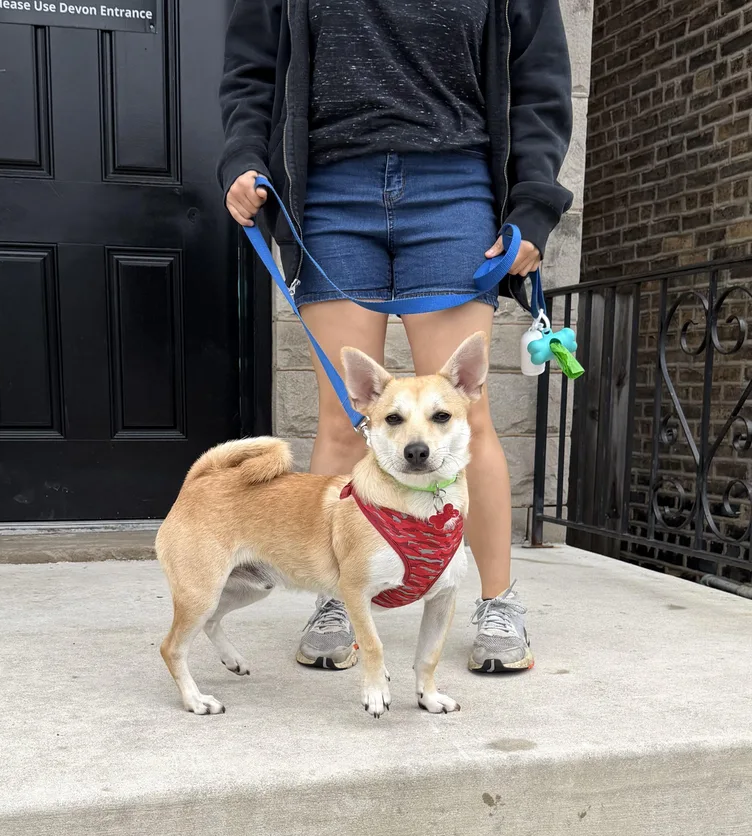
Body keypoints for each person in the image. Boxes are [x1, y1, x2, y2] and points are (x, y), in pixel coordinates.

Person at [219, 0, 573, 675]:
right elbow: (251, 69)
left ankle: (497, 601)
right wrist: (242, 155)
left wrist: (532, 205)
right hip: (328, 189)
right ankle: (336, 593)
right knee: (344, 418)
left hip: (455, 186)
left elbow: (539, 79)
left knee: (464, 419)